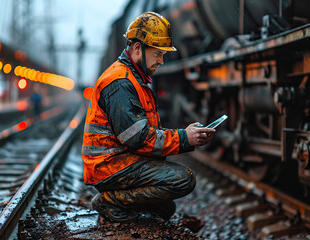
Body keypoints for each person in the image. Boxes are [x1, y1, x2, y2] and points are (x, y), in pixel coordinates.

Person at [82, 12, 216, 223]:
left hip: (119, 160)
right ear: (137, 49)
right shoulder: (120, 83)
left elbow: (143, 132)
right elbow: (137, 138)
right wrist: (183, 138)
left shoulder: (133, 78)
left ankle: (119, 200)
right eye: (157, 54)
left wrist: (186, 135)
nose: (162, 61)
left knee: (165, 209)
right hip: (110, 167)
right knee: (183, 180)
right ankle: (109, 201)